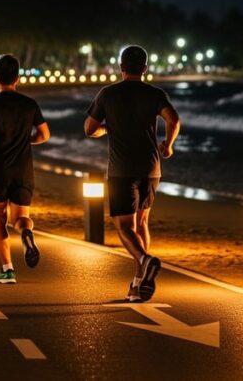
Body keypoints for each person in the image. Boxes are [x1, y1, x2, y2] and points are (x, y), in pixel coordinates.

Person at [84, 45, 181, 303]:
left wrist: (106, 129)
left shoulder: (108, 94)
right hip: (151, 169)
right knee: (141, 224)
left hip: (121, 170)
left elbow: (89, 129)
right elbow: (174, 120)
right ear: (145, 69)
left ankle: (145, 260)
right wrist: (168, 144)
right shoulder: (155, 94)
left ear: (121, 68)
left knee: (123, 225)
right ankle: (138, 284)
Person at [0, 54, 50, 284]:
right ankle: (26, 234)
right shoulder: (30, 104)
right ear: (18, 77)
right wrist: (27, 140)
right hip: (23, 169)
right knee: (21, 218)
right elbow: (45, 134)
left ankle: (7, 269)